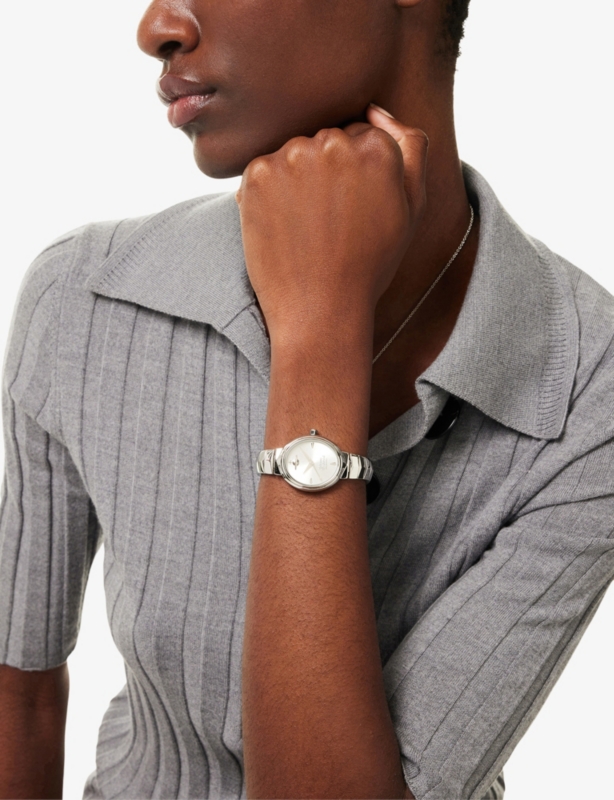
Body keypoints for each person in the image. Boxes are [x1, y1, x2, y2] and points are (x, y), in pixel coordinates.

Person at [0, 0, 612, 798]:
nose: (155, 27)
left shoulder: (588, 387)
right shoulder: (85, 294)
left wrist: (320, 334)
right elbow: (19, 695)